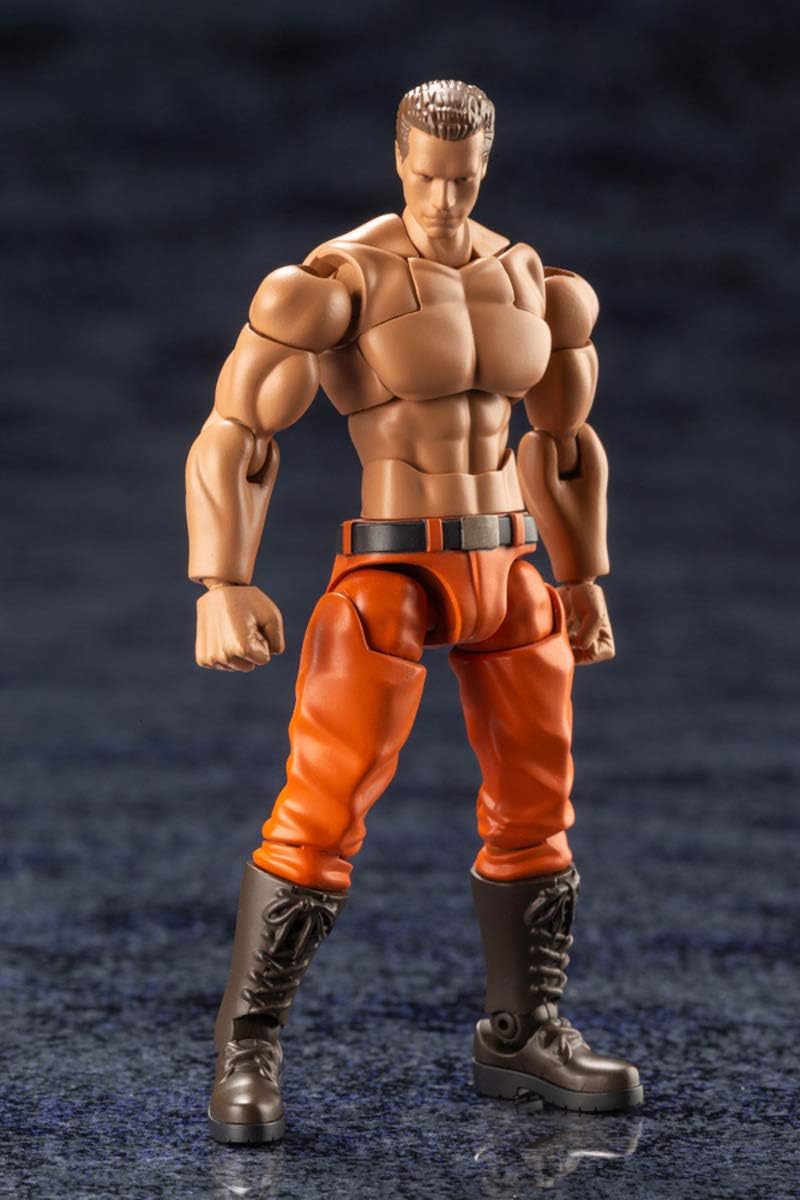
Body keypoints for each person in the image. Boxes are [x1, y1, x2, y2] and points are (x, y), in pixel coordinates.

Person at [185, 79, 643, 1145]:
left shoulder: (534, 282)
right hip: (392, 568)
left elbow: (562, 445)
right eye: (427, 176)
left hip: (510, 567)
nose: (444, 198)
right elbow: (238, 431)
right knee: (323, 803)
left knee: (537, 804)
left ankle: (523, 1032)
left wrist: (580, 578)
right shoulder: (335, 281)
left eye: (464, 178)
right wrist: (222, 582)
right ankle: (247, 1045)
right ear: (398, 158)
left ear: (486, 164)